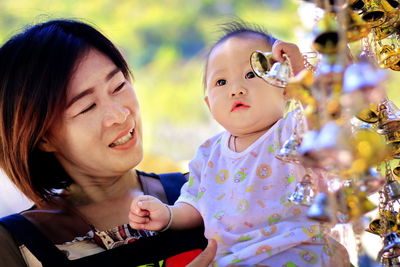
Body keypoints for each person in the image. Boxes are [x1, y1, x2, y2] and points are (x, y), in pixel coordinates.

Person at [129, 21, 351, 266]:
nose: (236, 89)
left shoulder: (293, 130)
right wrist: (168, 215)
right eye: (221, 82)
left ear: (286, 89)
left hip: (299, 253)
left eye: (251, 74)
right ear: (209, 105)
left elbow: (325, 113)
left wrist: (299, 70)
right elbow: (194, 202)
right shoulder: (208, 154)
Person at [0, 19, 218, 267]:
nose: (120, 115)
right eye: (88, 107)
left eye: (118, 86)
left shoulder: (202, 193)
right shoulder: (17, 245)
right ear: (43, 138)